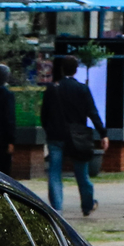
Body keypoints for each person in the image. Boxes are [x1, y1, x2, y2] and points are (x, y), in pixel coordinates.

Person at [41, 53, 105, 216]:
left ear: (62, 69)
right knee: (81, 173)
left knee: (55, 173)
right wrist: (103, 133)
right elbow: (93, 112)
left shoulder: (52, 89)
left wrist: (49, 129)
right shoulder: (82, 89)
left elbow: (44, 114)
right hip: (78, 137)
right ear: (76, 70)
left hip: (56, 136)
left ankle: (57, 209)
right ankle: (87, 205)